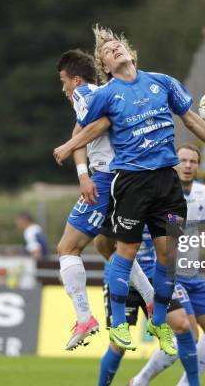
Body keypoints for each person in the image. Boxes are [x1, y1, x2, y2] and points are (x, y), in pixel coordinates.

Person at [53, 25, 205, 356]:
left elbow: (190, 118)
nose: (113, 50)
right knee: (112, 248)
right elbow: (94, 124)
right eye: (106, 51)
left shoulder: (162, 82)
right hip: (130, 183)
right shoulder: (104, 94)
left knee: (164, 255)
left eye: (117, 46)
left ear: (131, 53)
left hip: (166, 184)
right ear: (104, 67)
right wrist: (76, 154)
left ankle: (155, 316)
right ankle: (115, 319)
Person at [56, 49, 154, 351]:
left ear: (75, 79)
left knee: (67, 247)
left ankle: (85, 318)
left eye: (63, 82)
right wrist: (82, 174)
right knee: (105, 244)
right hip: (123, 177)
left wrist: (71, 149)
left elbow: (100, 126)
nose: (63, 90)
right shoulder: (104, 93)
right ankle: (153, 302)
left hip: (108, 179)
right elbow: (82, 133)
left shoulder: (84, 93)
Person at [130, 145, 205, 386]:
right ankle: (141, 380)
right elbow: (169, 235)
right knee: (189, 333)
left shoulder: (202, 192)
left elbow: (203, 228)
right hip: (169, 274)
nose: (187, 165)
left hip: (193, 274)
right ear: (174, 164)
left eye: (193, 161)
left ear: (198, 166)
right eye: (182, 160)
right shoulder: (162, 195)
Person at [99, 228, 199, 386]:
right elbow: (101, 243)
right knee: (118, 344)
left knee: (183, 326)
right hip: (122, 280)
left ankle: (142, 381)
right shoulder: (119, 205)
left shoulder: (164, 206)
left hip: (154, 278)